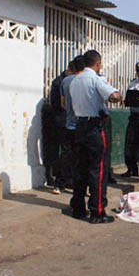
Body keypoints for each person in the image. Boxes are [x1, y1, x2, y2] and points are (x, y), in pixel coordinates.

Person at [68, 50, 122, 224]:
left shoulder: (74, 81)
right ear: (97, 64)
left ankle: (78, 207)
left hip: (80, 125)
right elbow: (114, 96)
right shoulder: (96, 79)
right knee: (98, 170)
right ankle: (97, 211)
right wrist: (117, 94)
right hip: (95, 127)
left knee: (80, 168)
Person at [57, 56, 85, 194]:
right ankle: (77, 185)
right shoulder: (85, 81)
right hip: (81, 125)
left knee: (66, 154)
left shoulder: (65, 81)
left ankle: (60, 183)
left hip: (68, 124)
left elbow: (63, 104)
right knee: (80, 158)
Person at [43, 66, 69, 193]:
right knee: (64, 153)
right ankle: (60, 181)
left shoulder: (60, 81)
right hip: (63, 121)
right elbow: (61, 104)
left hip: (63, 120)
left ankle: (62, 181)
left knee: (65, 153)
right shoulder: (62, 82)